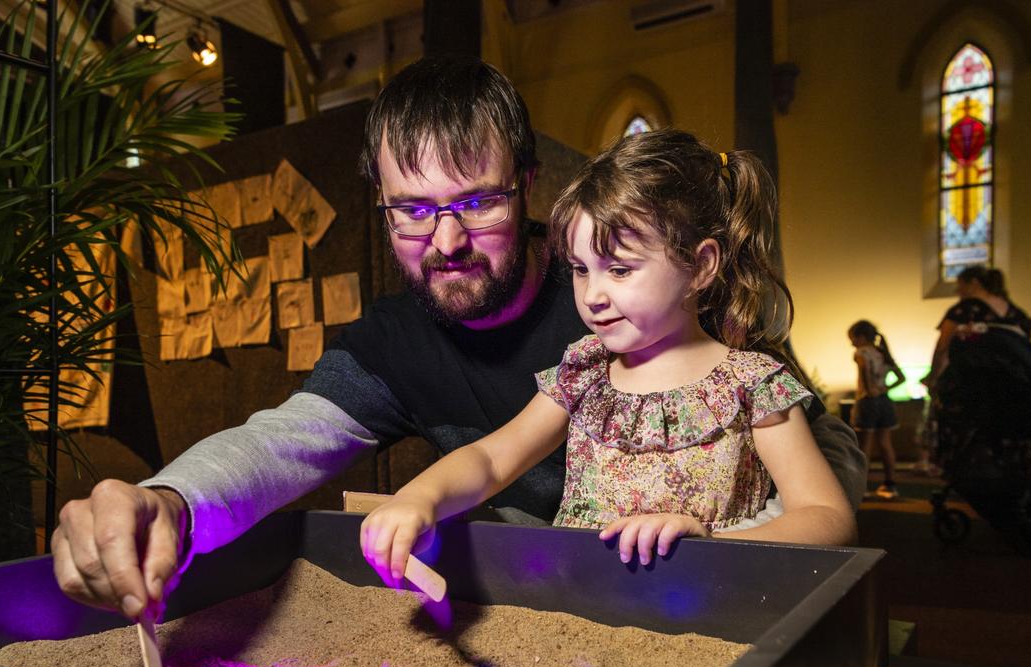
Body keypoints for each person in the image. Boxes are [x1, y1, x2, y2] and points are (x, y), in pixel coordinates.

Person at [51, 57, 866, 622]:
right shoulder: (403, 343)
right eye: (411, 209)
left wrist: (725, 547)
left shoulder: (662, 300)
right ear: (381, 203)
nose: (445, 242)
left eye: (476, 202)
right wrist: (170, 502)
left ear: (526, 184)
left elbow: (828, 475)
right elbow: (280, 443)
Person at [360, 129, 855, 581]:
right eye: (580, 269)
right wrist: (419, 498)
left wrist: (715, 544)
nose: (592, 294)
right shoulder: (584, 373)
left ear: (700, 266)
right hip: (584, 602)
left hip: (709, 605)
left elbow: (828, 517)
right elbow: (490, 459)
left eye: (619, 270)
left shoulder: (752, 384)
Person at [926, 265, 1031, 385]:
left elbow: (942, 347)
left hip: (974, 382)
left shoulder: (963, 311)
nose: (957, 291)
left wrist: (934, 378)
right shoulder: (1015, 313)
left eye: (960, 285)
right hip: (1014, 381)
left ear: (974, 283)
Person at [847, 320, 906, 499]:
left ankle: (861, 487)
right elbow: (901, 378)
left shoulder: (861, 352)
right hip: (885, 401)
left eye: (853, 338)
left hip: (867, 401)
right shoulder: (882, 353)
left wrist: (868, 388)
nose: (851, 343)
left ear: (862, 337)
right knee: (885, 444)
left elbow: (864, 371)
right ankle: (890, 484)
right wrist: (884, 389)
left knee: (864, 446)